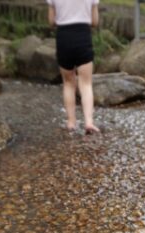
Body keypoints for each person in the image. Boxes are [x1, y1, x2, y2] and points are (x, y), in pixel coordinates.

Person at [47, 0, 100, 134]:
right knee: (86, 83)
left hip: (63, 37)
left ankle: (71, 122)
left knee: (69, 83)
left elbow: (51, 21)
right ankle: (89, 122)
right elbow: (94, 21)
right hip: (82, 36)